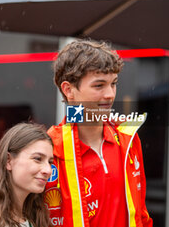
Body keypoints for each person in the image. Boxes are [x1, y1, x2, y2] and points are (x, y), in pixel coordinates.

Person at [44, 39, 153, 227]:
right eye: (99, 85)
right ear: (68, 90)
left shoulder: (129, 138)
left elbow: (141, 216)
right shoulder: (49, 149)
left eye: (113, 84)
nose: (110, 94)